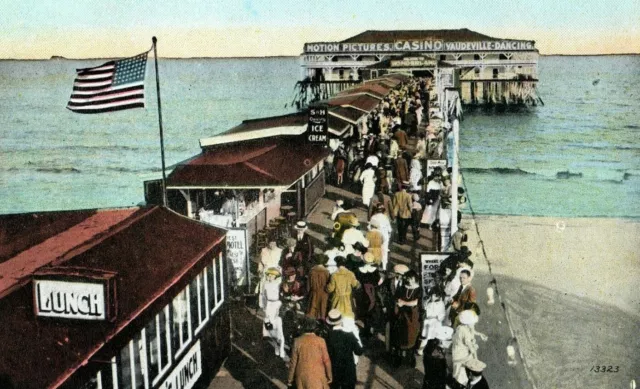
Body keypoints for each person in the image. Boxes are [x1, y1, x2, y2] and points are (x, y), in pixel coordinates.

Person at [287, 317, 333, 389]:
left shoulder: (297, 341)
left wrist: (290, 380)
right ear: (315, 328)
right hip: (318, 376)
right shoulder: (321, 341)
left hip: (302, 377)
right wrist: (329, 376)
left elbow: (293, 362)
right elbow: (326, 361)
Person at [325, 309, 364, 389]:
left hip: (334, 372)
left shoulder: (327, 337)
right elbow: (359, 351)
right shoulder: (349, 335)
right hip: (348, 372)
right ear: (341, 321)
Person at [391, 270, 421, 367]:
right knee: (400, 335)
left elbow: (416, 302)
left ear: (415, 278)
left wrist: (404, 303)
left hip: (413, 316)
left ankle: (410, 358)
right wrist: (398, 302)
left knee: (411, 335)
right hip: (402, 315)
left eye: (410, 278)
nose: (408, 280)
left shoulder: (419, 289)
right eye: (407, 278)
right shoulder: (402, 287)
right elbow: (396, 298)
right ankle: (398, 358)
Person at [354, 252, 383, 339]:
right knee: (371, 312)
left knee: (362, 311)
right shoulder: (375, 271)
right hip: (372, 293)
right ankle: (369, 329)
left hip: (362, 294)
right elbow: (379, 282)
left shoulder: (358, 270)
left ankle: (364, 330)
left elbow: (356, 283)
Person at [261, 268, 287, 360]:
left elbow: (285, 290)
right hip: (269, 306)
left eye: (272, 275)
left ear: (276, 276)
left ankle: (281, 348)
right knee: (270, 329)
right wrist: (264, 307)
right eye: (269, 275)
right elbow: (263, 296)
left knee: (279, 327)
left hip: (277, 304)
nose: (270, 276)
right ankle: (276, 346)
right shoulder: (265, 284)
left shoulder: (279, 284)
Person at [451, 310, 480, 387]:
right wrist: (476, 358)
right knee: (461, 374)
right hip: (462, 356)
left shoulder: (460, 328)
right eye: (473, 323)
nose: (474, 324)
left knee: (457, 370)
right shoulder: (465, 332)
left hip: (457, 352)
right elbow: (472, 349)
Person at [307, 254, 331, 320]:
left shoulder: (311, 271)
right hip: (324, 294)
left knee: (312, 311)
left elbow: (308, 286)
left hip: (314, 293)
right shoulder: (326, 272)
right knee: (322, 311)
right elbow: (329, 285)